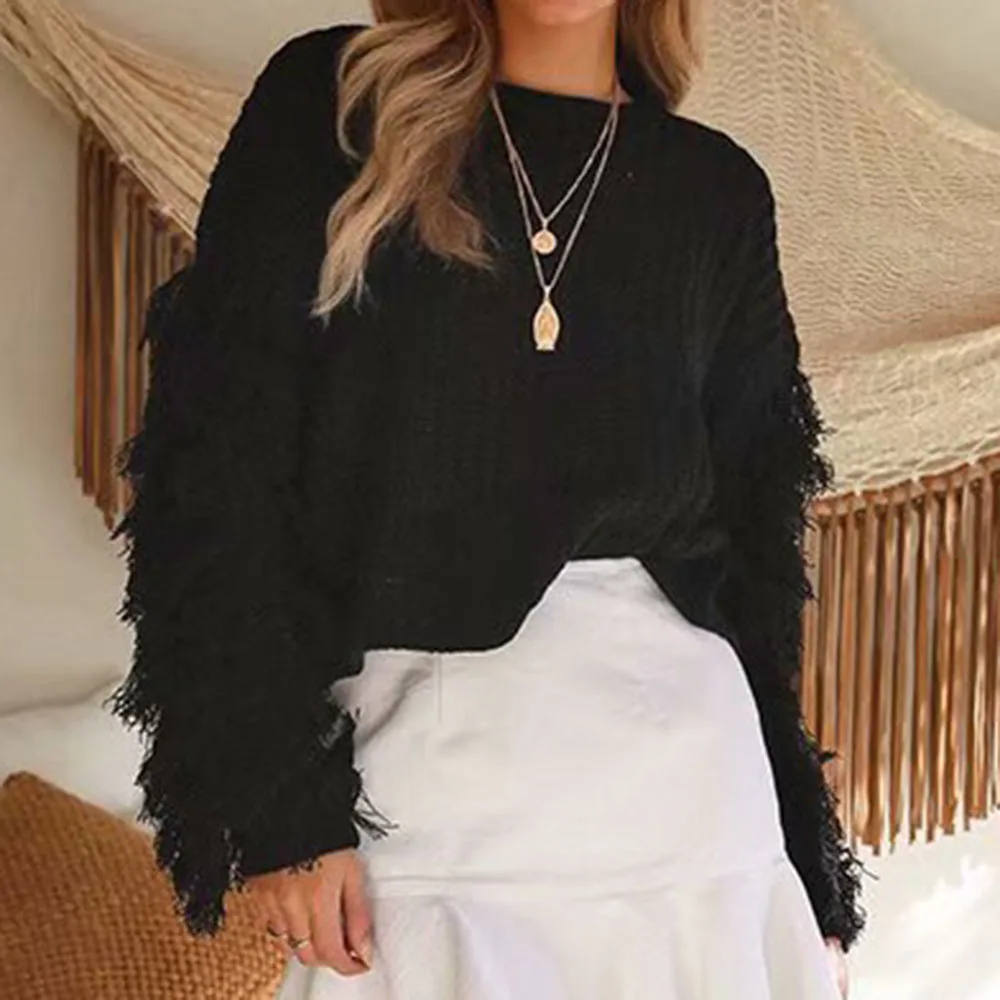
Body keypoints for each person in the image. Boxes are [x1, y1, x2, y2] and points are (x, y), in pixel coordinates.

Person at [106, 1, 866, 997]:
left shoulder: (714, 190)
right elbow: (216, 466)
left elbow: (756, 550)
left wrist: (805, 870)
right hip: (423, 812)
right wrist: (278, 805)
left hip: (694, 813)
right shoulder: (342, 107)